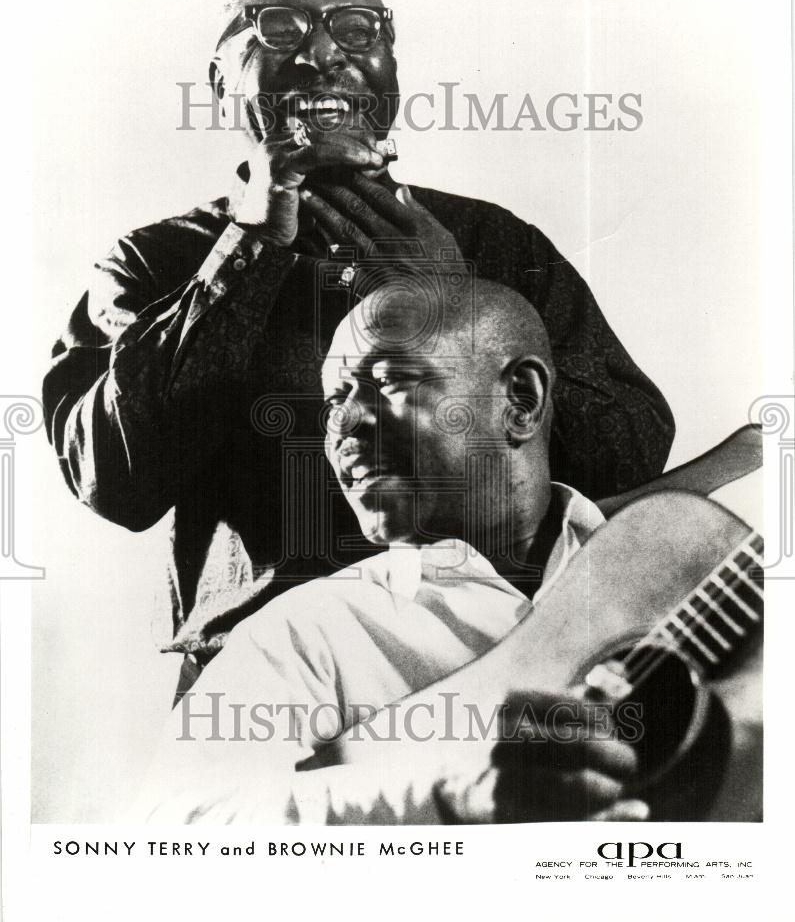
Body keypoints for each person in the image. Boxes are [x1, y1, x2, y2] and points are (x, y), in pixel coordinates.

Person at [42, 0, 674, 685]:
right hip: (263, 683)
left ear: (391, 71)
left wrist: (456, 310)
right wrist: (248, 251)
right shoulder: (154, 263)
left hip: (501, 660)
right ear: (220, 85)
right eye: (277, 30)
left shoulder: (494, 244)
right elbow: (114, 484)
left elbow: (628, 458)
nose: (320, 54)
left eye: (356, 29)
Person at [135, 278, 648, 825]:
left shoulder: (676, 569)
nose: (344, 423)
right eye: (335, 399)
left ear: (520, 402)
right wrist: (441, 794)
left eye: (389, 380)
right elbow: (173, 827)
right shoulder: (304, 632)